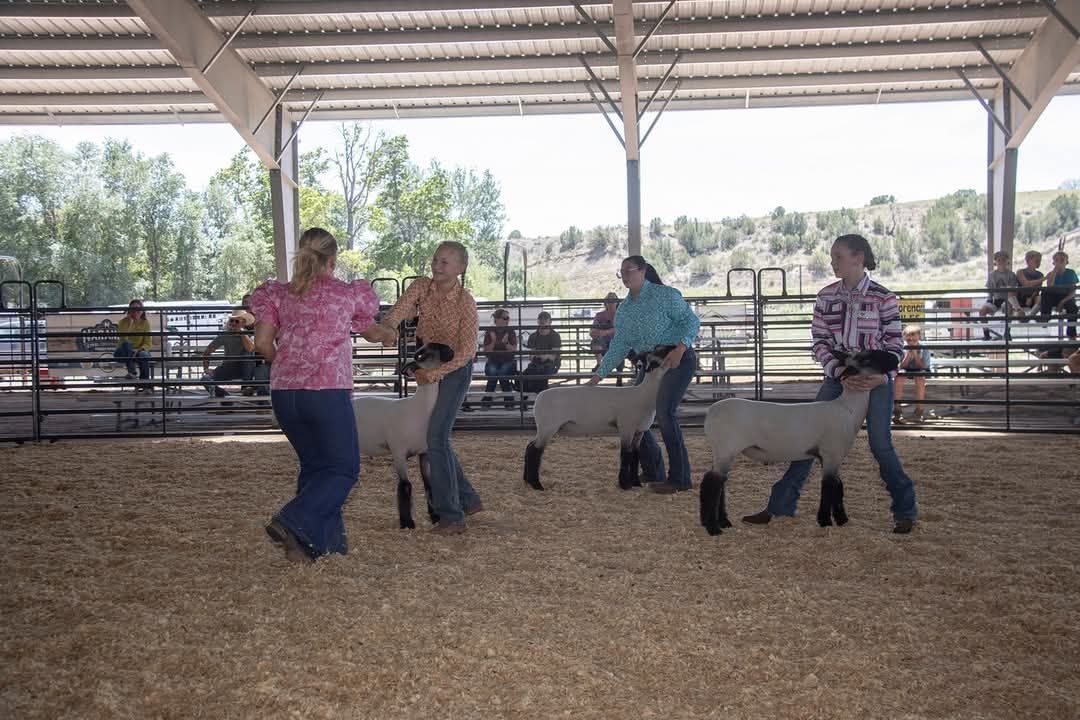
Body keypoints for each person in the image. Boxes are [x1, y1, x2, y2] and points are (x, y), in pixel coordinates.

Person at [742, 234, 918, 534]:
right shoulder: (826, 297)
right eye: (832, 256)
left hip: (875, 379)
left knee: (880, 443)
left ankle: (905, 511)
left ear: (858, 258)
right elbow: (820, 341)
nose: (833, 261)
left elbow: (895, 346)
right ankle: (781, 504)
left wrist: (881, 377)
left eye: (838, 256)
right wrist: (837, 371)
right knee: (808, 440)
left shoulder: (883, 297)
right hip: (839, 376)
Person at [250, 227, 391, 563]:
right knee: (344, 469)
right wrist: (388, 333)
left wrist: (287, 364)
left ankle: (318, 547)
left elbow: (262, 344)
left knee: (315, 468)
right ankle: (293, 520)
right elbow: (371, 331)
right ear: (334, 259)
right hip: (326, 390)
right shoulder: (346, 295)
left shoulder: (278, 294)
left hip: (285, 394)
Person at [374, 241, 484, 534]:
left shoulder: (466, 302)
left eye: (445, 262)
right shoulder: (421, 286)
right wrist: (389, 326)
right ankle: (469, 499)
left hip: (454, 370)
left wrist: (434, 374)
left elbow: (467, 351)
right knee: (437, 438)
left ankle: (452, 516)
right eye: (435, 259)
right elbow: (401, 309)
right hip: (428, 363)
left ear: (461, 268)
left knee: (435, 436)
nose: (437, 265)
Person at [588, 255, 700, 494]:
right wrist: (598, 376)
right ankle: (653, 470)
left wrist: (681, 348)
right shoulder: (625, 309)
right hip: (650, 364)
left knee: (664, 412)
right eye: (622, 272)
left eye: (629, 270)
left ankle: (680, 477)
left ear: (643, 270)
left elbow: (691, 321)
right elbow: (619, 345)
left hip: (676, 359)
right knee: (638, 416)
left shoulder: (666, 295)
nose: (625, 276)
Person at [201, 310, 257, 397]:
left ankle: (246, 386)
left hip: (246, 369)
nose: (233, 323)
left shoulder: (250, 334)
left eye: (237, 321)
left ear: (243, 323)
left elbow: (250, 349)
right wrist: (206, 368)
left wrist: (242, 332)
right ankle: (224, 396)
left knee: (247, 356)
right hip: (228, 367)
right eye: (232, 320)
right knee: (205, 379)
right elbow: (208, 351)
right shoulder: (225, 335)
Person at [893, 324, 934, 423]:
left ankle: (919, 410)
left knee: (920, 379)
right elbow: (900, 366)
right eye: (908, 340)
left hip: (920, 370)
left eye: (913, 339)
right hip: (906, 370)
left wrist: (915, 354)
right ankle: (897, 410)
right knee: (898, 378)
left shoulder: (923, 348)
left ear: (919, 337)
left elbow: (924, 366)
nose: (911, 341)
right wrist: (907, 356)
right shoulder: (902, 348)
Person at [978, 250, 1020, 339]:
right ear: (995, 262)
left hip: (1007, 299)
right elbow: (990, 289)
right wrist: (989, 300)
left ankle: (1007, 332)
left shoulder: (1011, 275)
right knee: (982, 311)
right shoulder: (992, 275)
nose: (1001, 262)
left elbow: (1012, 290)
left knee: (1009, 308)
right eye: (999, 260)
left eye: (1003, 260)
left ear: (1007, 261)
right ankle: (986, 334)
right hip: (995, 299)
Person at [480, 308, 517, 409]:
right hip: (493, 360)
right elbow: (486, 350)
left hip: (508, 360)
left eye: (508, 318)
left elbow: (513, 350)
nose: (508, 320)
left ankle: (488, 401)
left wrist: (505, 343)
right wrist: (494, 341)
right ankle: (508, 402)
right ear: (497, 319)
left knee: (502, 373)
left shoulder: (511, 331)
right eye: (505, 318)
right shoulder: (490, 331)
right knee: (493, 372)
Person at [1037, 251, 1078, 339]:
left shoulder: (1071, 273)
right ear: (1053, 263)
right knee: (1045, 292)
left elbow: (1072, 291)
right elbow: (1049, 287)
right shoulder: (1051, 274)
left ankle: (1071, 332)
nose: (1059, 263)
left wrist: (1062, 302)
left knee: (1073, 307)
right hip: (1054, 296)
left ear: (1066, 262)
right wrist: (1054, 273)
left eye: (1062, 260)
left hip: (1066, 297)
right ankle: (1045, 317)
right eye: (1056, 260)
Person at [521, 310, 561, 398]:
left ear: (550, 322)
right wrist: (540, 356)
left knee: (542, 372)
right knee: (526, 374)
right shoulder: (533, 336)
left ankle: (541, 397)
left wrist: (543, 356)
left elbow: (553, 357)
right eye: (541, 320)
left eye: (545, 320)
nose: (543, 322)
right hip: (537, 362)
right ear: (538, 321)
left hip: (552, 364)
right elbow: (531, 356)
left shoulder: (555, 336)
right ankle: (530, 398)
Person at [114, 299, 152, 390]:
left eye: (138, 310)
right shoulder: (122, 322)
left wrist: (139, 350)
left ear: (142, 311)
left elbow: (148, 343)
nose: (135, 313)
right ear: (129, 311)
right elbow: (123, 339)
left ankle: (145, 384)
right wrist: (130, 324)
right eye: (133, 310)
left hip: (138, 351)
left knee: (144, 355)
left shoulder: (145, 323)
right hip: (123, 351)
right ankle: (132, 373)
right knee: (127, 343)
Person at [1016, 250, 1044, 316]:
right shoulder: (1020, 272)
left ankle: (1030, 315)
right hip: (1020, 296)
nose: (1038, 262)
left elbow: (1037, 289)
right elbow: (1025, 284)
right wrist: (1044, 278)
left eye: (1039, 261)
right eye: (1036, 260)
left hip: (1033, 297)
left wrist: (1031, 298)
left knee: (1040, 298)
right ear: (1028, 261)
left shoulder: (1040, 275)